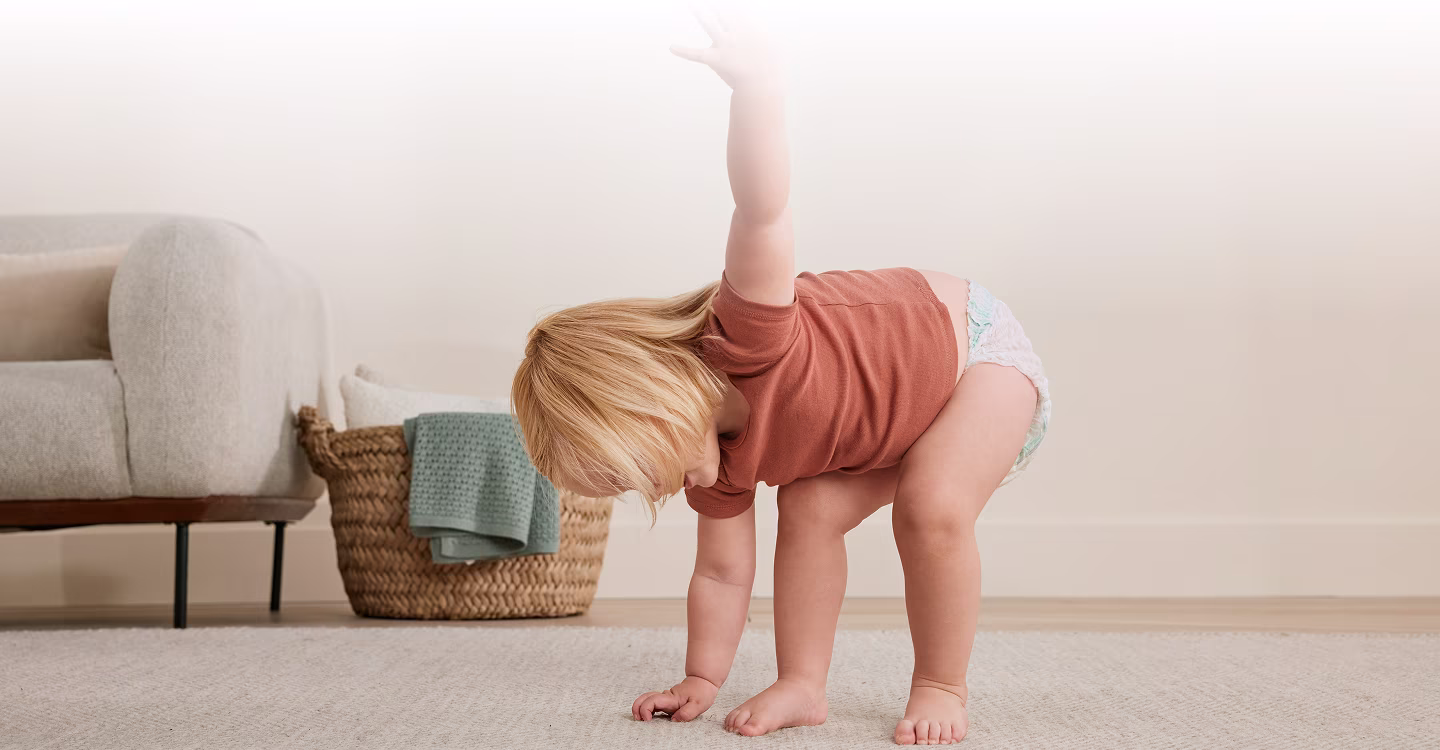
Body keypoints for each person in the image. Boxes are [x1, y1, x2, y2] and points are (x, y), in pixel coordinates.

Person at [510, 9, 1051, 746]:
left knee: (929, 506)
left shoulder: (747, 335)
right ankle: (803, 684)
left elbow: (761, 213)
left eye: (638, 470)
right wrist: (702, 678)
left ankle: (940, 684)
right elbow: (723, 578)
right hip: (891, 423)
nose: (657, 491)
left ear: (651, 403)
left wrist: (756, 90)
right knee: (808, 506)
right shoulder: (717, 471)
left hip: (978, 358)